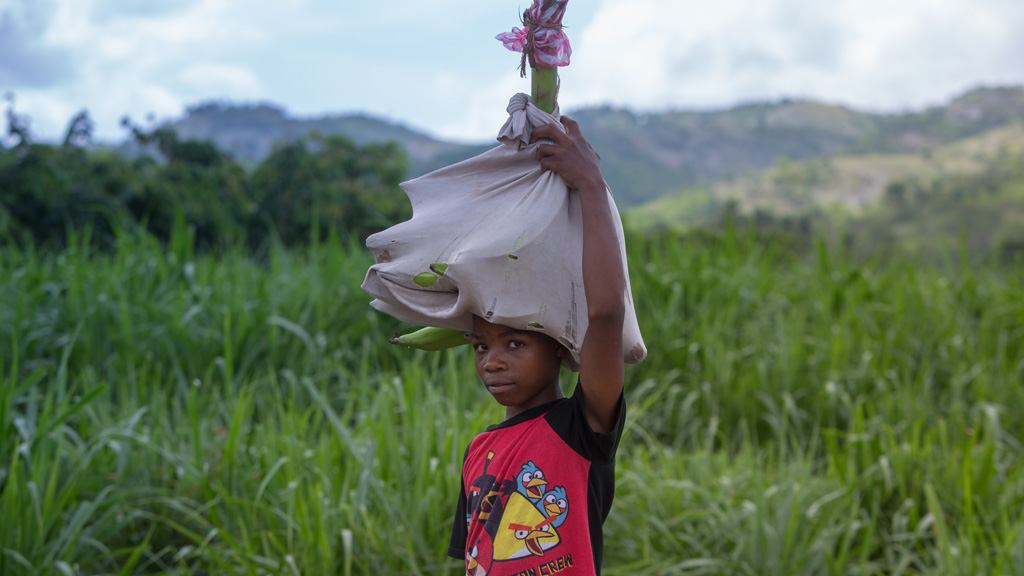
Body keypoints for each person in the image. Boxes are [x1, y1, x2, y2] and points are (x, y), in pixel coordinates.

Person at [447, 116, 627, 576]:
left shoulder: (580, 428)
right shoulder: (479, 451)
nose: (493, 362)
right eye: (480, 347)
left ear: (558, 348)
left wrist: (589, 183)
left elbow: (605, 315)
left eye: (514, 343)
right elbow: (474, 559)